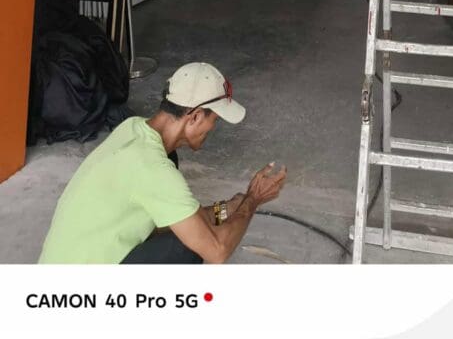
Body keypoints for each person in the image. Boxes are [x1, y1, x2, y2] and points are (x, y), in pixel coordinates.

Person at [39, 62, 287, 264]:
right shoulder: (153, 168)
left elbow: (176, 215)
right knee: (187, 249)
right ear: (195, 117)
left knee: (187, 234)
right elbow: (217, 250)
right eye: (215, 119)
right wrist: (252, 201)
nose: (214, 127)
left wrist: (225, 209)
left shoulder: (133, 129)